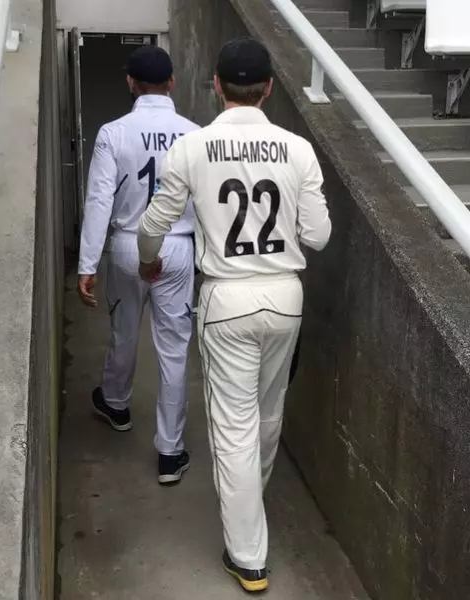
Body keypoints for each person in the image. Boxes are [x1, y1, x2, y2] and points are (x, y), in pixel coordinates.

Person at [136, 37, 331, 592]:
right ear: (268, 88)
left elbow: (154, 224)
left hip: (226, 299)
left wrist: (148, 262)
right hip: (285, 297)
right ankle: (251, 512)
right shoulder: (298, 149)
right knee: (267, 417)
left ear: (217, 85)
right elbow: (318, 235)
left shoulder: (192, 148)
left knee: (233, 428)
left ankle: (248, 556)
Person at [77, 44, 199, 485]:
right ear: (171, 83)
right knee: (174, 350)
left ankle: (116, 403)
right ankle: (170, 452)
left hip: (128, 243)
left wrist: (87, 263)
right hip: (178, 246)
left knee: (124, 329)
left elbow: (99, 200)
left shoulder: (113, 133)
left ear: (131, 83)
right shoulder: (194, 134)